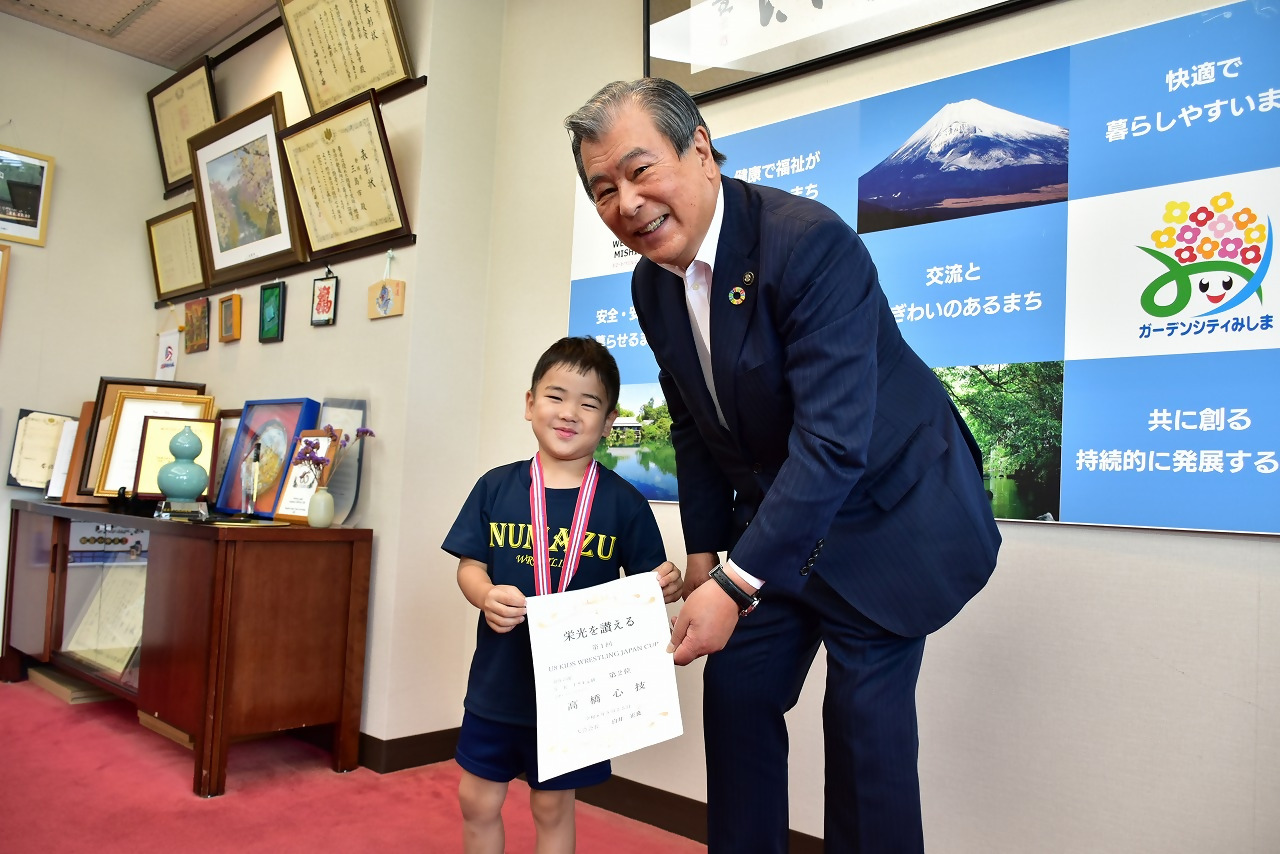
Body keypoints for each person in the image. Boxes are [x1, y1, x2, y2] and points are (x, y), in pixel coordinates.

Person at [565, 79, 1002, 853]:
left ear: (699, 149)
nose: (626, 203)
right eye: (603, 188)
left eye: (640, 171)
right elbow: (695, 426)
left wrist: (737, 583)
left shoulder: (808, 241)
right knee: (736, 691)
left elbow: (835, 443)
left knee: (865, 733)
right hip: (790, 527)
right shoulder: (651, 285)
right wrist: (705, 555)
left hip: (890, 517)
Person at [442, 336, 683, 854]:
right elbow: (469, 566)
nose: (569, 412)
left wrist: (667, 583)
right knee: (477, 800)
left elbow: (653, 584)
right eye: (555, 396)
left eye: (589, 403)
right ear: (529, 403)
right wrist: (483, 594)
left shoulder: (624, 503)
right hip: (498, 684)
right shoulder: (495, 487)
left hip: (578, 692)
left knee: (553, 806)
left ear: (610, 419)